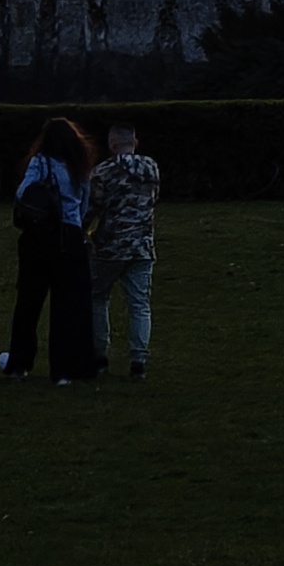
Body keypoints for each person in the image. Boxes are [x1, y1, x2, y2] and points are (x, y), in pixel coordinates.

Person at [0, 117, 102, 385]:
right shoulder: (80, 165)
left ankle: (19, 364)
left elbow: (22, 194)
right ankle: (64, 370)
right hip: (71, 236)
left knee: (29, 302)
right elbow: (84, 204)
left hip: (40, 236)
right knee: (67, 305)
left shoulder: (40, 162)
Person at [85, 122, 162, 379]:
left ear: (112, 144)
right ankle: (139, 359)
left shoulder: (103, 172)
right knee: (140, 304)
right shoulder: (151, 167)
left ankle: (99, 356)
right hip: (142, 245)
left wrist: (80, 231)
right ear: (135, 142)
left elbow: (93, 207)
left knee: (98, 298)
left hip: (110, 247)